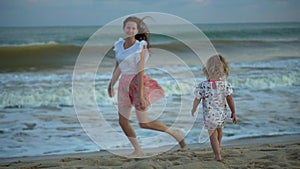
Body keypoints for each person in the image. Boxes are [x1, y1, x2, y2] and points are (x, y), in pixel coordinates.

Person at [108, 16, 186, 156]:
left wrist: (140, 95)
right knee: (122, 121)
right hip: (123, 85)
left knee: (144, 123)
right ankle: (138, 150)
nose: (130, 30)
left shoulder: (140, 46)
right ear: (123, 28)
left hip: (138, 84)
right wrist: (111, 84)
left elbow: (140, 70)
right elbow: (118, 66)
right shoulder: (119, 45)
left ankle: (175, 133)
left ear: (137, 30)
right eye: (128, 27)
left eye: (133, 28)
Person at [191, 54, 237, 161]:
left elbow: (197, 98)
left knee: (212, 135)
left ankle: (217, 155)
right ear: (224, 69)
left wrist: (194, 109)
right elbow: (230, 99)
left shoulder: (203, 85)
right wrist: (233, 112)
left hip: (209, 115)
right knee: (219, 131)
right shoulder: (225, 85)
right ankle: (218, 148)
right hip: (222, 114)